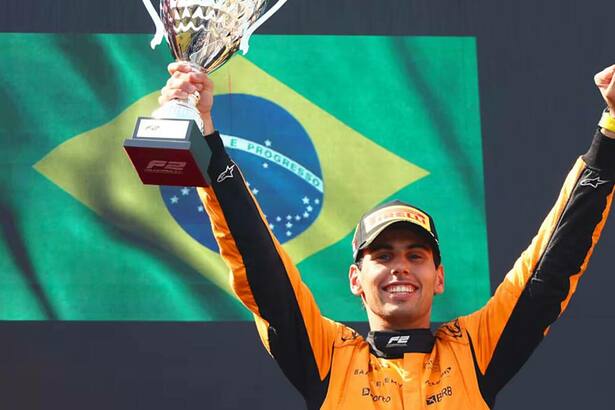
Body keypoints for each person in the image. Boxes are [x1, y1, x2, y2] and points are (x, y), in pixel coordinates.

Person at [159, 63, 615, 409]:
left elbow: (551, 264)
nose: (400, 266)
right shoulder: (328, 357)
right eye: (382, 255)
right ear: (356, 279)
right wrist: (205, 137)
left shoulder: (474, 351)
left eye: (416, 255)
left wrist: (610, 132)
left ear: (438, 277)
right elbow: (260, 263)